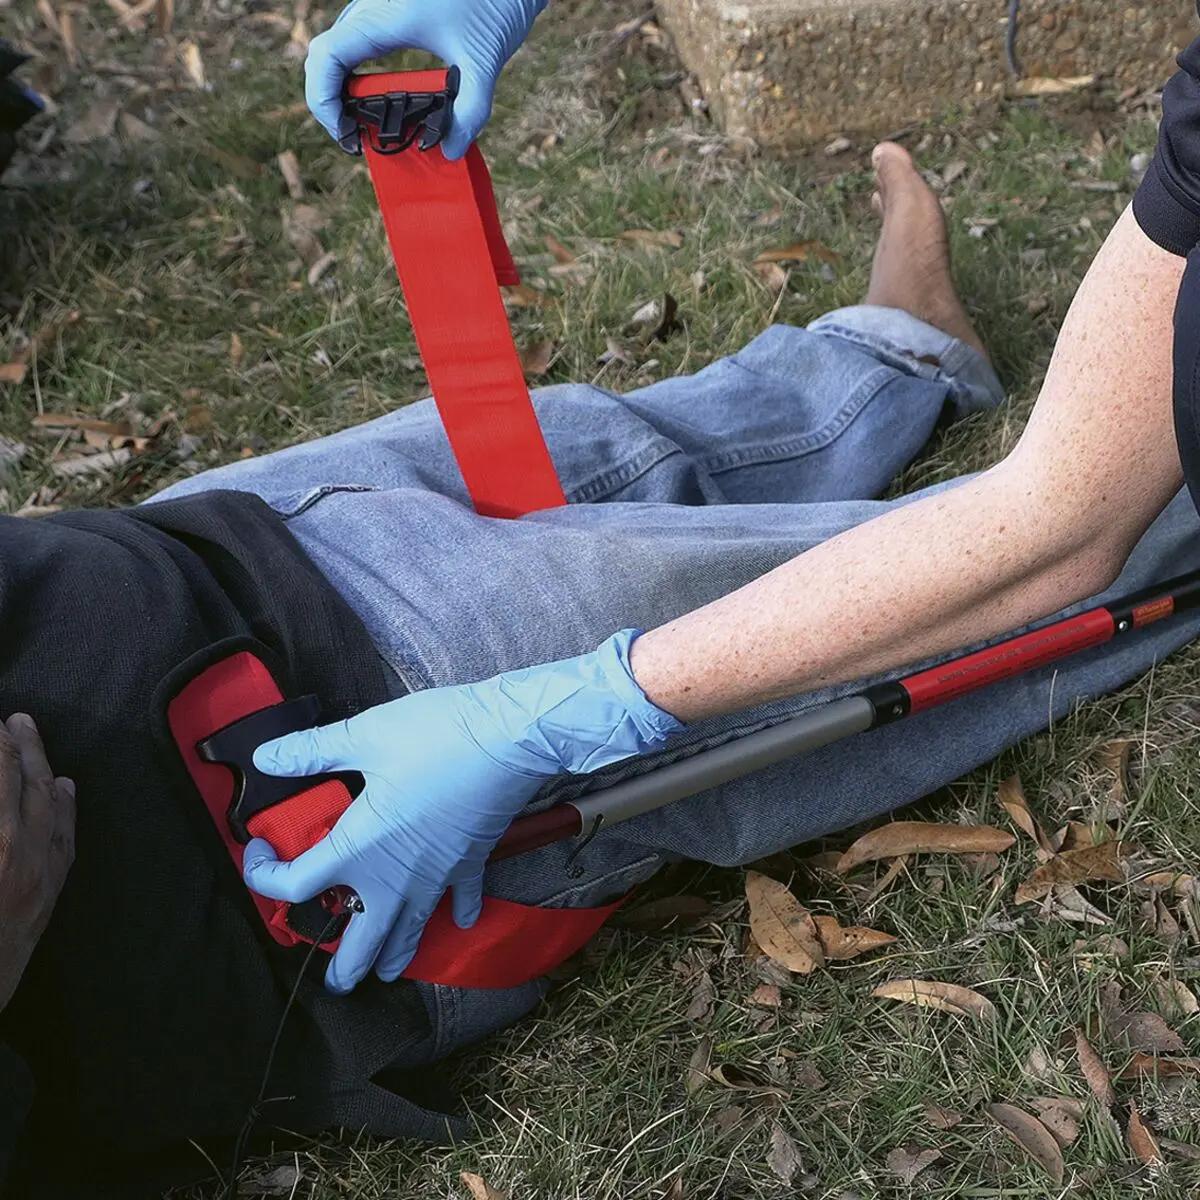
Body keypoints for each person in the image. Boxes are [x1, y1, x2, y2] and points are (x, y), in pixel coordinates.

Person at [5, 133, 1200, 1195]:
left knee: (623, 453)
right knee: (974, 584)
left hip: (195, 555)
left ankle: (895, 360)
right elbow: (1063, 534)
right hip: (337, 811)